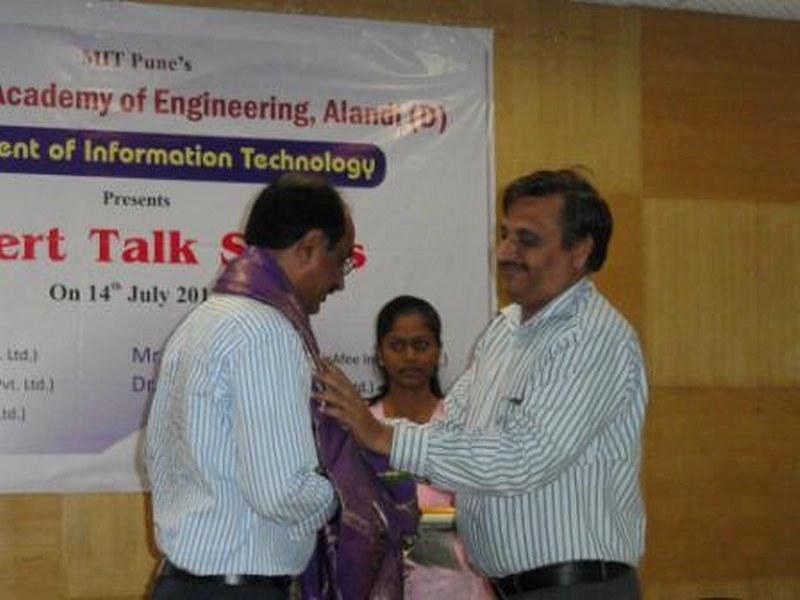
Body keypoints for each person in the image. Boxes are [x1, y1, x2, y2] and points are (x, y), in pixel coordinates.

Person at [316, 169, 649, 599]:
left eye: (527, 240)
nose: (506, 252)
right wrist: (353, 437)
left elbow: (524, 458)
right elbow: (450, 428)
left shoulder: (591, 336)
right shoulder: (505, 329)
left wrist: (383, 436)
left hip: (577, 588)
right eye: (505, 235)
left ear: (579, 251)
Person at [145, 174, 416, 600]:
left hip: (185, 584)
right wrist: (354, 491)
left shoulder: (201, 321)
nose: (340, 281)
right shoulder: (266, 332)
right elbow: (282, 491)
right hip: (238, 591)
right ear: (309, 247)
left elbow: (156, 457)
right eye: (341, 261)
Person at [368, 295, 493, 599]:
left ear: (438, 352)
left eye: (421, 345)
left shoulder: (463, 423)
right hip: (378, 584)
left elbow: (483, 511)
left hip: (460, 588)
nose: (410, 356)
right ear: (380, 354)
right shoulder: (364, 427)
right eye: (397, 345)